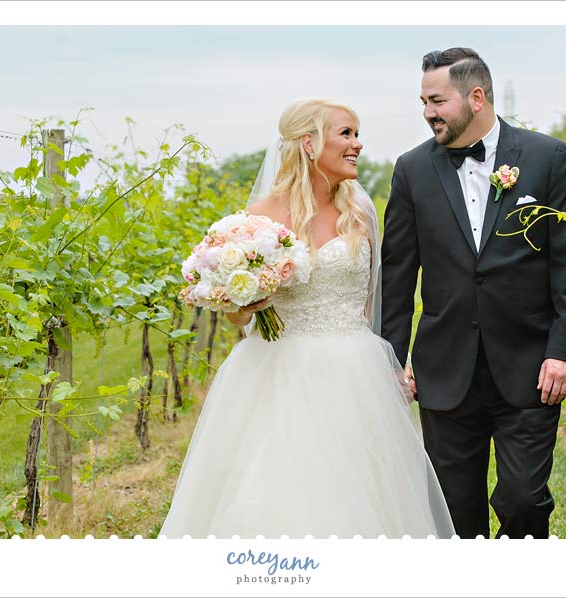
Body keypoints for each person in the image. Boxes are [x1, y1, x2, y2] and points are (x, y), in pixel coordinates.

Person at [160, 98, 455, 539]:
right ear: (309, 143)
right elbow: (238, 317)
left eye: (357, 134)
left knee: (359, 493)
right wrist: (247, 302)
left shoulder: (360, 212)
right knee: (277, 490)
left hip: (355, 371)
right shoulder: (256, 222)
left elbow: (372, 302)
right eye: (347, 134)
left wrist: (390, 366)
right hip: (277, 371)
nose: (358, 144)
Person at [381, 48, 566, 539]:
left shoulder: (547, 157)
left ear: (476, 97)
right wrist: (391, 359)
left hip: (530, 365)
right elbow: (397, 275)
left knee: (524, 501)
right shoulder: (411, 169)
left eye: (437, 100)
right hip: (444, 369)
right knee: (455, 512)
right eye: (423, 102)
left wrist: (564, 352)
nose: (428, 112)